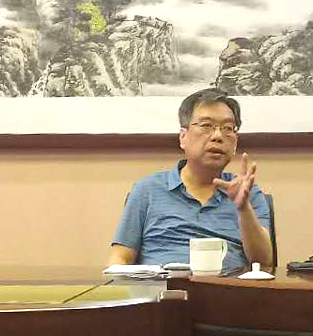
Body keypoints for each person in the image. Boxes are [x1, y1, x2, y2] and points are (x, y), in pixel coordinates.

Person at [110, 88, 274, 271]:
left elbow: (263, 261)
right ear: (183, 137)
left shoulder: (248, 192)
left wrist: (243, 209)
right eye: (206, 125)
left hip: (228, 287)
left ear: (235, 142)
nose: (218, 136)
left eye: (228, 128)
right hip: (161, 287)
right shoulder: (147, 190)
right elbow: (120, 258)